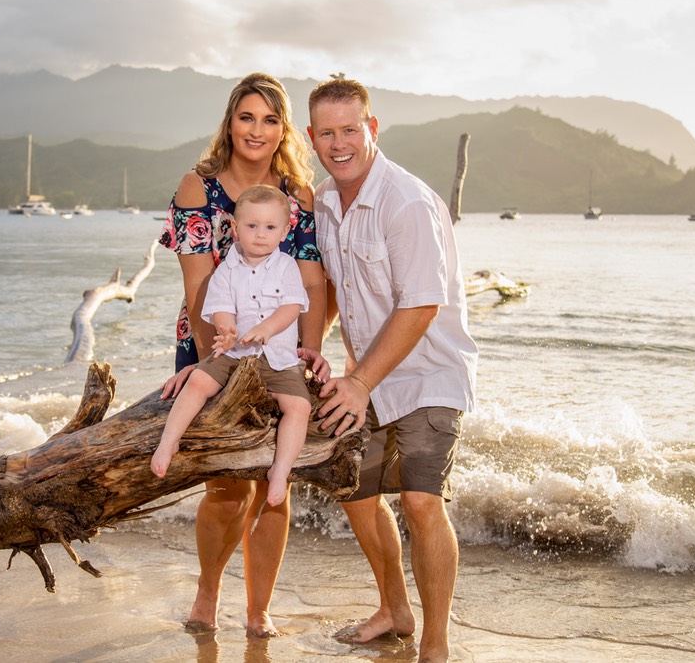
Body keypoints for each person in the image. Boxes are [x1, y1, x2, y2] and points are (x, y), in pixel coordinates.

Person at [303, 77, 478, 663]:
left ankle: (435, 644)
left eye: (350, 129)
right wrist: (313, 350)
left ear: (372, 129)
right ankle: (394, 609)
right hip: (369, 376)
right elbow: (334, 288)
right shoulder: (324, 202)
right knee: (353, 491)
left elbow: (420, 305)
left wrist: (358, 382)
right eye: (327, 133)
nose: (339, 143)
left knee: (422, 502)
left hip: (429, 373)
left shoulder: (406, 201)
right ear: (311, 137)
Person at [157, 72, 326, 638]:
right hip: (214, 343)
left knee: (274, 488)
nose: (257, 130)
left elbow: (312, 282)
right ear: (229, 123)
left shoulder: (298, 196)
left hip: (279, 351)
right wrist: (214, 364)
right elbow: (199, 285)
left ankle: (258, 610)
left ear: (284, 130)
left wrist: (308, 352)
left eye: (270, 119)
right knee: (227, 488)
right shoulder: (197, 188)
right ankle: (208, 591)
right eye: (246, 117)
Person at [151, 184, 313, 506]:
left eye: (270, 227)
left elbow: (291, 307)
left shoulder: (287, 267)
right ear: (236, 228)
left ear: (284, 232)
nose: (261, 234)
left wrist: (267, 328)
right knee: (199, 380)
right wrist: (226, 331)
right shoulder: (226, 269)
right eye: (252, 226)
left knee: (299, 406)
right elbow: (221, 307)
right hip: (235, 353)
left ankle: (281, 469)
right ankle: (168, 441)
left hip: (277, 358)